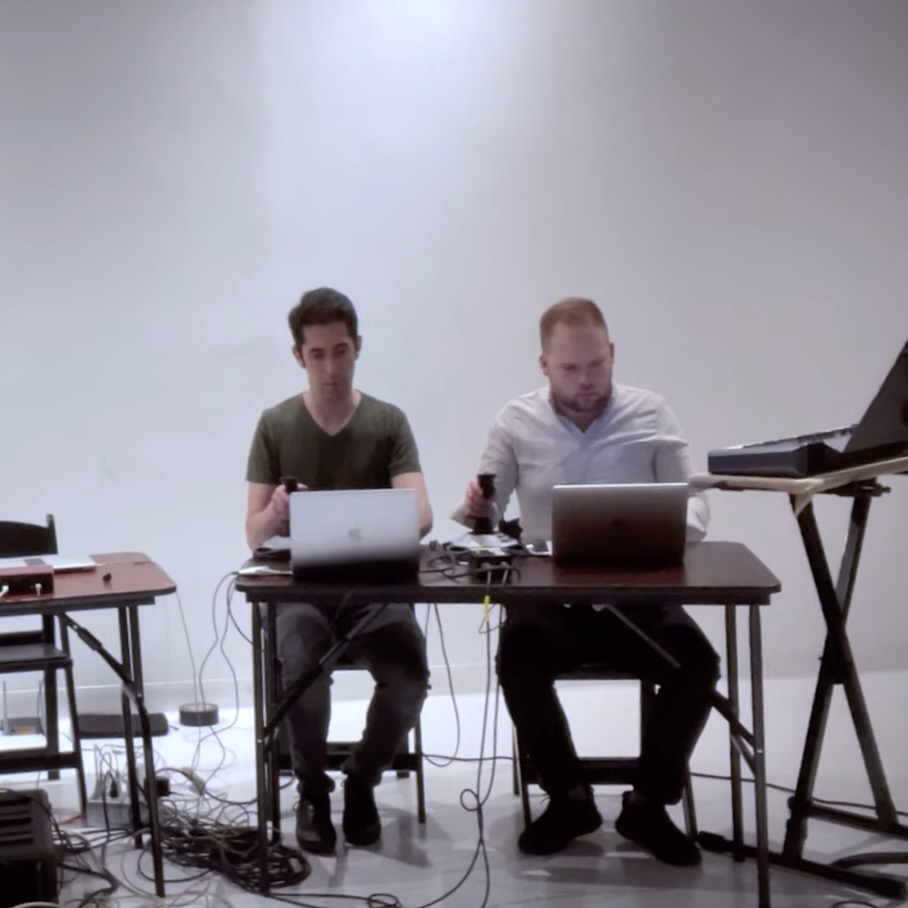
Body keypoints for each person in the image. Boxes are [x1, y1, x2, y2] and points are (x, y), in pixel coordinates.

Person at [453, 297, 719, 866]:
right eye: (570, 368)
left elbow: (695, 511)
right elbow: (486, 522)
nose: (585, 381)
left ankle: (649, 803)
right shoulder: (515, 421)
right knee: (519, 661)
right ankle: (569, 797)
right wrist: (479, 507)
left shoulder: (652, 413)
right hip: (553, 601)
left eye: (596, 364)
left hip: (639, 600)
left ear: (613, 353)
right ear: (544, 365)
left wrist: (657, 529)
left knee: (697, 664)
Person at [245, 287, 433, 855]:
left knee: (409, 679)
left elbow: (421, 514)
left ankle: (361, 780)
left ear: (358, 349)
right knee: (301, 669)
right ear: (299, 356)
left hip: (373, 589)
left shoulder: (387, 421)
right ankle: (311, 790)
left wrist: (395, 517)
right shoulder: (275, 424)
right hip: (304, 591)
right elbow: (252, 533)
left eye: (342, 350)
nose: (331, 366)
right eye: (319, 353)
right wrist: (276, 513)